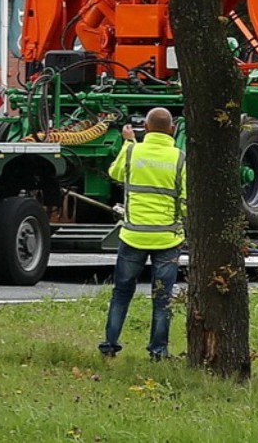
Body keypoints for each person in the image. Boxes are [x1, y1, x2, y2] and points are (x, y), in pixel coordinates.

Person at [99, 107, 186, 360]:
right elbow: (185, 199)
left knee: (121, 293)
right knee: (162, 298)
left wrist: (128, 144)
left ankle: (110, 344)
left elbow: (114, 174)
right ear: (172, 129)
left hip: (133, 236)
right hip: (167, 238)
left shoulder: (133, 152)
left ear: (145, 128)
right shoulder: (179, 158)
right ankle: (158, 351)